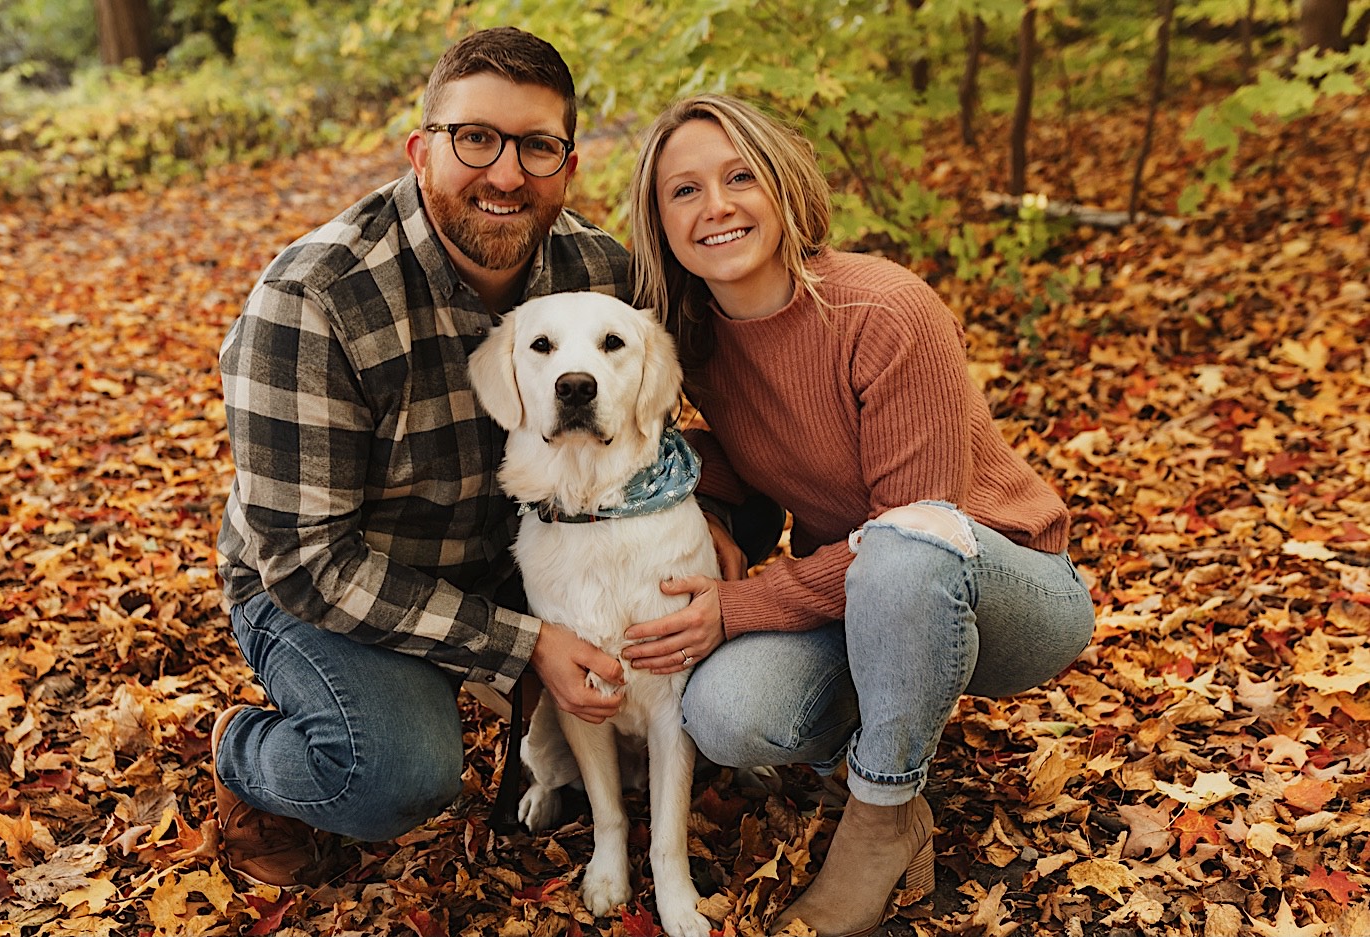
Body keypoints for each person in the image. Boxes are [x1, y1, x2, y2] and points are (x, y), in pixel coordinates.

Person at [620, 94, 1097, 936]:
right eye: (683, 191)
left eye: (739, 177)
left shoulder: (881, 308)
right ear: (659, 221)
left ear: (784, 186)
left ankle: (881, 814)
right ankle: (893, 719)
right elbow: (760, 449)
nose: (717, 206)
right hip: (858, 590)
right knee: (726, 714)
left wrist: (739, 607)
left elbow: (921, 520)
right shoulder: (694, 338)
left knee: (906, 548)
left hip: (1006, 583)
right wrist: (707, 504)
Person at [210, 27, 633, 887]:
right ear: (420, 150)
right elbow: (307, 564)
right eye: (475, 138)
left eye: (536, 146)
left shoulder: (600, 272)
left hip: (519, 556)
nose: (507, 174)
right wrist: (522, 646)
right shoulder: (315, 297)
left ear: (568, 163)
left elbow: (677, 402)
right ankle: (243, 756)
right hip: (336, 587)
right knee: (394, 774)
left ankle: (520, 707)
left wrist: (714, 506)